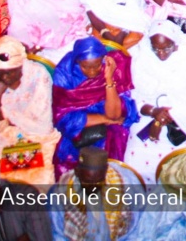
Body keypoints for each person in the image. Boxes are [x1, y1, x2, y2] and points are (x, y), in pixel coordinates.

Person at [125, 20, 186, 184]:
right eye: (156, 48)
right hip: (148, 116)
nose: (160, 54)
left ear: (176, 44)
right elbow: (135, 98)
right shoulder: (142, 58)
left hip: (185, 120)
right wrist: (154, 113)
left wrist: (160, 121)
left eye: (166, 48)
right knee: (137, 157)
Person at [0, 36, 60, 185]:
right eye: (0, 72)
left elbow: (41, 123)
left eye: (10, 72)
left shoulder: (37, 75)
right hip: (6, 137)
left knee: (37, 180)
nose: (4, 77)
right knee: (8, 182)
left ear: (21, 65)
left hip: (39, 138)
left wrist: (17, 129)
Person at [52, 37, 137, 177]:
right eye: (85, 67)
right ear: (77, 61)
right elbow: (62, 118)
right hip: (79, 127)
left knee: (116, 139)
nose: (91, 72)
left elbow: (115, 115)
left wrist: (108, 78)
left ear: (103, 59)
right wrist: (104, 118)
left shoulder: (113, 67)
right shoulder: (65, 73)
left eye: (96, 65)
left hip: (105, 119)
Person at [49, 146, 144, 240]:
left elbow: (137, 230)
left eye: (98, 181)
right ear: (77, 172)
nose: (93, 187)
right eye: (88, 181)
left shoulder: (126, 186)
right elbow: (57, 233)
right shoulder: (62, 190)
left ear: (106, 171)